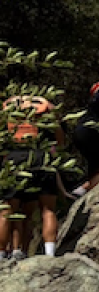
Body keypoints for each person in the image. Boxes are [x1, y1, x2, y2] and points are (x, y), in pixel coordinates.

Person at [1, 94, 65, 259]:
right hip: (41, 156)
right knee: (48, 209)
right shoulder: (45, 107)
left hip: (14, 157)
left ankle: (1, 254)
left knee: (7, 211)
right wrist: (56, 151)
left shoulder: (7, 108)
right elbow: (59, 136)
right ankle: (50, 254)